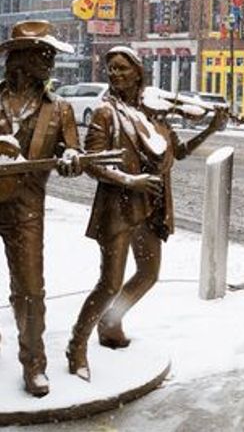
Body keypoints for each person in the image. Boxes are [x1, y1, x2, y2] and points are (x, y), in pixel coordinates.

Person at [66, 46, 228, 382]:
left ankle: (111, 321)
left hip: (152, 205)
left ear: (138, 72)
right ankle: (77, 344)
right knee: (109, 283)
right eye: (112, 68)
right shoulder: (105, 113)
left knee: (148, 273)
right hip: (118, 206)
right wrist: (130, 180)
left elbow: (179, 152)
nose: (116, 73)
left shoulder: (154, 113)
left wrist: (211, 128)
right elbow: (92, 163)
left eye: (122, 68)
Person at [0, 20, 82, 397]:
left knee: (31, 290)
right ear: (20, 57)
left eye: (51, 55)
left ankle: (34, 364)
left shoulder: (60, 109)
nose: (50, 62)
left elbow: (73, 150)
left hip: (27, 210)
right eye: (43, 54)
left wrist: (72, 159)